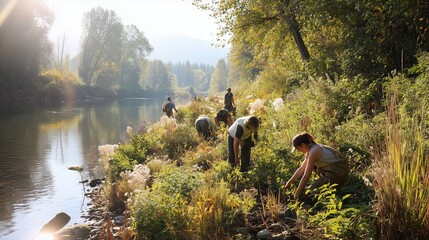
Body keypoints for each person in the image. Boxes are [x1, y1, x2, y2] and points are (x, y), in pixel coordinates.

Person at [284, 132, 350, 202]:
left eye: (298, 149)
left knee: (310, 193)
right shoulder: (311, 150)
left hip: (339, 173)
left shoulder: (314, 152)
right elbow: (301, 170)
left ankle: (334, 194)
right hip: (333, 171)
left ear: (303, 145)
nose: (298, 151)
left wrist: (297, 193)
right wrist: (289, 183)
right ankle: (330, 187)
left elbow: (306, 176)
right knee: (309, 189)